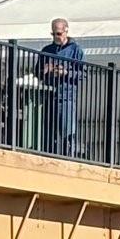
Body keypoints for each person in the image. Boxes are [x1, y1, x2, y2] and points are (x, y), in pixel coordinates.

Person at [38, 18, 85, 156]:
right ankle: (48, 157)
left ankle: (68, 158)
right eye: (53, 34)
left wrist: (66, 72)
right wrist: (45, 70)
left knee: (67, 131)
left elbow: (83, 74)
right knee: (48, 133)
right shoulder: (46, 50)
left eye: (58, 34)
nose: (56, 37)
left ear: (66, 31)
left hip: (66, 98)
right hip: (48, 97)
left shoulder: (76, 50)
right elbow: (37, 73)